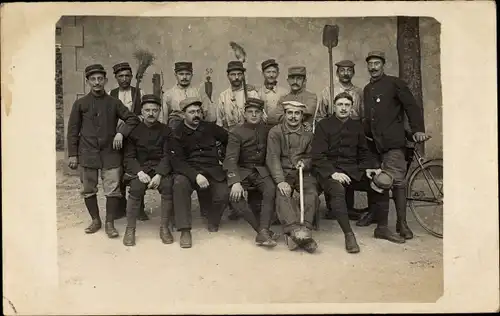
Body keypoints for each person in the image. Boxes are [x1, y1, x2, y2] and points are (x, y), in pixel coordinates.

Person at [311, 92, 403, 252]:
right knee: (338, 190)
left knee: (381, 181)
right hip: (330, 172)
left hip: (353, 170)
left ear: (351, 107)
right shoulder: (323, 125)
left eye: (347, 105)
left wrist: (370, 167)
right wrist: (333, 173)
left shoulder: (356, 125)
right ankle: (349, 235)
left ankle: (382, 228)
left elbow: (364, 151)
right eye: (340, 105)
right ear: (334, 106)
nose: (343, 108)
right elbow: (317, 156)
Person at [67, 63, 140, 238]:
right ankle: (95, 220)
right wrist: (72, 154)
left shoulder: (114, 103)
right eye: (93, 79)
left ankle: (109, 223)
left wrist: (121, 133)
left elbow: (132, 119)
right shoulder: (80, 104)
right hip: (87, 153)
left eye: (100, 79)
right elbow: (72, 131)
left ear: (105, 80)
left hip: (110, 153)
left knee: (113, 189)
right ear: (88, 81)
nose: (97, 82)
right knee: (88, 189)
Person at [362, 51, 429, 240]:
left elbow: (411, 106)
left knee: (396, 182)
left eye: (377, 63)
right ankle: (380, 221)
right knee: (381, 181)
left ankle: (401, 223)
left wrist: (417, 130)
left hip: (393, 142)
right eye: (370, 63)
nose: (373, 67)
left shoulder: (394, 83)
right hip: (375, 144)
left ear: (383, 65)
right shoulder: (367, 89)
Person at [169, 97, 230, 248]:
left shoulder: (210, 127)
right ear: (183, 115)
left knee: (223, 193)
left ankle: (213, 220)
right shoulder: (176, 133)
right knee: (179, 184)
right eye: (191, 112)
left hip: (212, 169)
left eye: (198, 111)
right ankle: (185, 230)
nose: (196, 115)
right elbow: (177, 161)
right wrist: (195, 175)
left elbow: (230, 140)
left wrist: (226, 156)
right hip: (189, 171)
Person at [313, 59, 366, 220]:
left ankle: (347, 208)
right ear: (337, 73)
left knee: (350, 166)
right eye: (342, 70)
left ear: (353, 72)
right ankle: (333, 208)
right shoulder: (328, 91)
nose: (345, 73)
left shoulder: (359, 92)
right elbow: (320, 114)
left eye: (349, 70)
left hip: (351, 132)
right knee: (333, 167)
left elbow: (363, 115)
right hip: (331, 134)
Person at [223, 98, 279, 247]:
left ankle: (263, 231)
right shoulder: (236, 132)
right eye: (250, 112)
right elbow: (231, 158)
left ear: (262, 114)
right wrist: (235, 181)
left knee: (271, 189)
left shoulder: (268, 130)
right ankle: (261, 231)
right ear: (244, 113)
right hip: (242, 170)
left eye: (257, 112)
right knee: (235, 196)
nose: (254, 115)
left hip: (261, 170)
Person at [266, 100, 320, 253]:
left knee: (311, 192)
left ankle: (306, 230)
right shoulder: (275, 132)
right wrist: (280, 181)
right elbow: (273, 158)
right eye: (290, 113)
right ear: (284, 114)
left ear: (302, 116)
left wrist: (305, 162)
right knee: (283, 193)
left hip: (301, 171)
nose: (293, 117)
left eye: (297, 113)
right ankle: (294, 230)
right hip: (282, 171)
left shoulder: (309, 134)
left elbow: (312, 156)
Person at [122, 94, 174, 246]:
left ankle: (164, 228)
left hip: (159, 170)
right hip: (141, 170)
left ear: (159, 112)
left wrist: (159, 174)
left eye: (155, 110)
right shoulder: (134, 131)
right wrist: (139, 172)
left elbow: (168, 155)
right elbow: (129, 157)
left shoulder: (166, 131)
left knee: (167, 186)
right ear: (142, 112)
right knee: (136, 189)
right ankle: (130, 229)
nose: (151, 113)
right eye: (147, 110)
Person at [216, 60, 260, 221]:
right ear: (228, 76)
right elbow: (220, 121)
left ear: (243, 75)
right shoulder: (223, 96)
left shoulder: (252, 94)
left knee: (250, 169)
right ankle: (235, 206)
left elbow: (261, 117)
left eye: (239, 74)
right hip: (231, 137)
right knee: (233, 169)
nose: (236, 77)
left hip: (250, 138)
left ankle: (254, 205)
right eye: (233, 74)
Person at [109, 61, 148, 222]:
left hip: (135, 137)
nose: (124, 79)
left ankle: (139, 208)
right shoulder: (111, 94)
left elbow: (144, 114)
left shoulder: (139, 92)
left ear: (132, 77)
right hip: (117, 138)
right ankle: (120, 207)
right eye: (121, 76)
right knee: (119, 172)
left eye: (127, 76)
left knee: (137, 171)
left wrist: (135, 118)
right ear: (116, 78)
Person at [160, 61, 204, 129]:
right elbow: (163, 120)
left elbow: (208, 117)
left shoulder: (198, 93)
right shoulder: (168, 94)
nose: (184, 77)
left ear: (192, 75)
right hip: (175, 131)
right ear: (175, 75)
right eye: (181, 74)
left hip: (196, 130)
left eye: (187, 74)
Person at [275, 66, 318, 131]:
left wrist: (285, 116)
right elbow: (275, 117)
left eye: (299, 78)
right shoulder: (283, 98)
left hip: (304, 135)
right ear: (288, 80)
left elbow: (306, 114)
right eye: (292, 78)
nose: (295, 81)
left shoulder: (311, 97)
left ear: (304, 81)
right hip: (284, 135)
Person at [256, 59, 289, 126]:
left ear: (278, 74)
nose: (271, 75)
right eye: (268, 72)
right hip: (262, 128)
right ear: (263, 73)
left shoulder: (285, 92)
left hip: (280, 128)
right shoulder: (257, 93)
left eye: (274, 72)